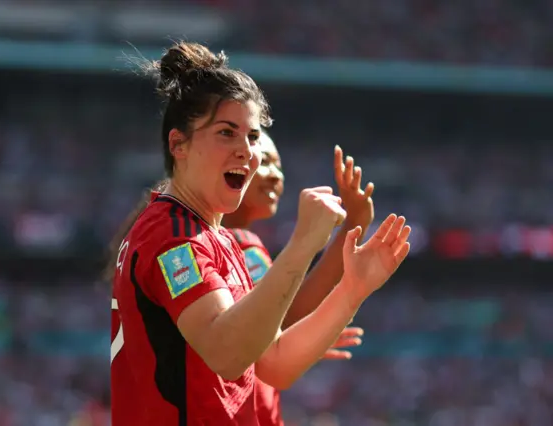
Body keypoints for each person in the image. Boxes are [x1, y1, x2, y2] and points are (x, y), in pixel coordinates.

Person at [110, 41, 412, 425]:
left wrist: (353, 288)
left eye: (252, 137)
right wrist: (304, 243)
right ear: (178, 144)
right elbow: (228, 354)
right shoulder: (172, 235)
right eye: (226, 133)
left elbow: (275, 363)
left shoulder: (214, 236)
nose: (246, 152)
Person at [222, 132, 375, 426]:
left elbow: (274, 330)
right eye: (263, 161)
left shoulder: (206, 242)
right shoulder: (240, 244)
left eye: (279, 166)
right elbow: (288, 318)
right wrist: (353, 225)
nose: (276, 175)